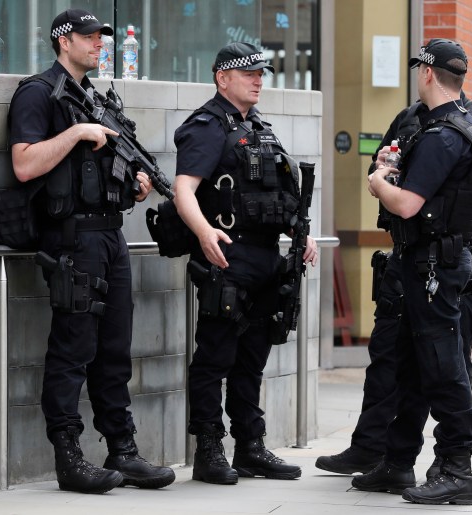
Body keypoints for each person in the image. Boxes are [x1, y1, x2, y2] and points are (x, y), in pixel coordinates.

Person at [316, 89, 472, 481]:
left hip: (456, 257)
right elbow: (381, 171)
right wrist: (388, 169)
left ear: (433, 74)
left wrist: (457, 173)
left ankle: (449, 466)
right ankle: (378, 452)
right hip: (408, 253)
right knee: (393, 358)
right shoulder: (411, 118)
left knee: (447, 363)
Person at [7, 9, 175, 494]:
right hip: (71, 238)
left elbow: (98, 177)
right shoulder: (39, 93)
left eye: (101, 37)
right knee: (73, 346)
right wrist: (78, 133)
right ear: (64, 42)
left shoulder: (93, 100)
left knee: (114, 350)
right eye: (88, 37)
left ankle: (123, 450)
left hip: (109, 235)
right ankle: (69, 456)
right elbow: (23, 164)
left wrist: (135, 187)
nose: (98, 44)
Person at [354, 39, 472, 505]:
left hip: (435, 264)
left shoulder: (443, 134)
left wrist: (379, 183)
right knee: (414, 366)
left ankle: (457, 468)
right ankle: (397, 463)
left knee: (443, 368)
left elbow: (408, 204)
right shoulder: (462, 126)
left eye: (419, 68)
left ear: (428, 74)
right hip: (434, 262)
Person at [172, 42, 318, 485]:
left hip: (266, 257)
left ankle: (250, 446)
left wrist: (301, 234)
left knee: (252, 358)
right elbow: (183, 190)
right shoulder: (206, 126)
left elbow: (278, 194)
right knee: (215, 357)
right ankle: (209, 449)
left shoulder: (259, 127)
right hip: (227, 256)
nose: (258, 79)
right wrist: (203, 231)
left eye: (261, 73)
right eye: (248, 73)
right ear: (222, 77)